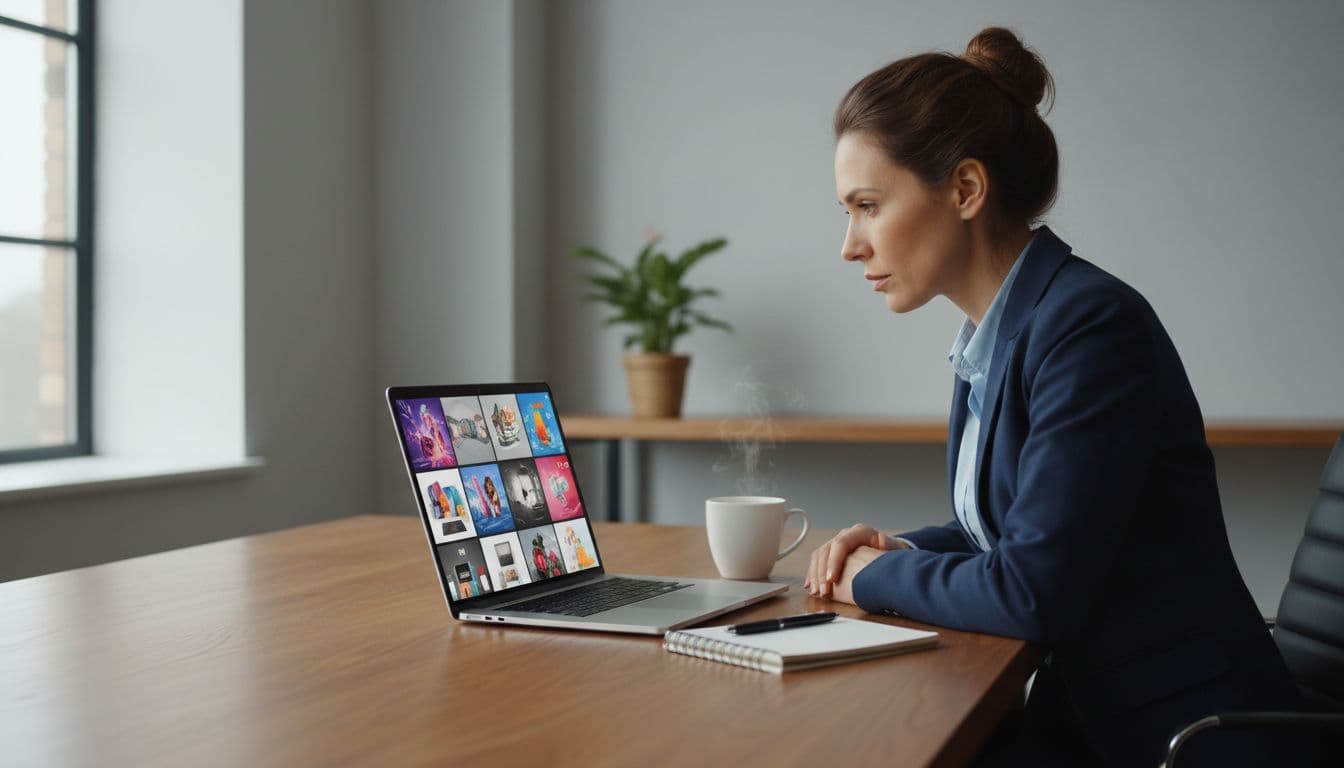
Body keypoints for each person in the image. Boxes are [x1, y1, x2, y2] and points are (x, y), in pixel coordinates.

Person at [805, 27, 1310, 767]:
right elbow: (1022, 531)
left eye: (868, 205)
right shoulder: (1004, 332)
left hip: (1185, 738)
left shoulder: (1089, 327)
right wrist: (901, 547)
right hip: (1090, 718)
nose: (851, 244)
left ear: (966, 189)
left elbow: (1031, 590)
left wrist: (874, 578)